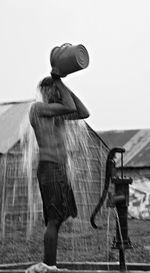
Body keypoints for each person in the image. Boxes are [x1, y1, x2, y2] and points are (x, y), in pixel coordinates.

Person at [26, 76, 89, 272]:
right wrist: (59, 82)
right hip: (50, 168)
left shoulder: (56, 114)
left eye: (58, 90)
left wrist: (64, 86)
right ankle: (48, 266)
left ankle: (50, 264)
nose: (58, 94)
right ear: (46, 92)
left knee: (59, 218)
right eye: (54, 90)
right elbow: (70, 107)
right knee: (53, 219)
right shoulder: (38, 109)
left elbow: (83, 112)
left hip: (59, 168)